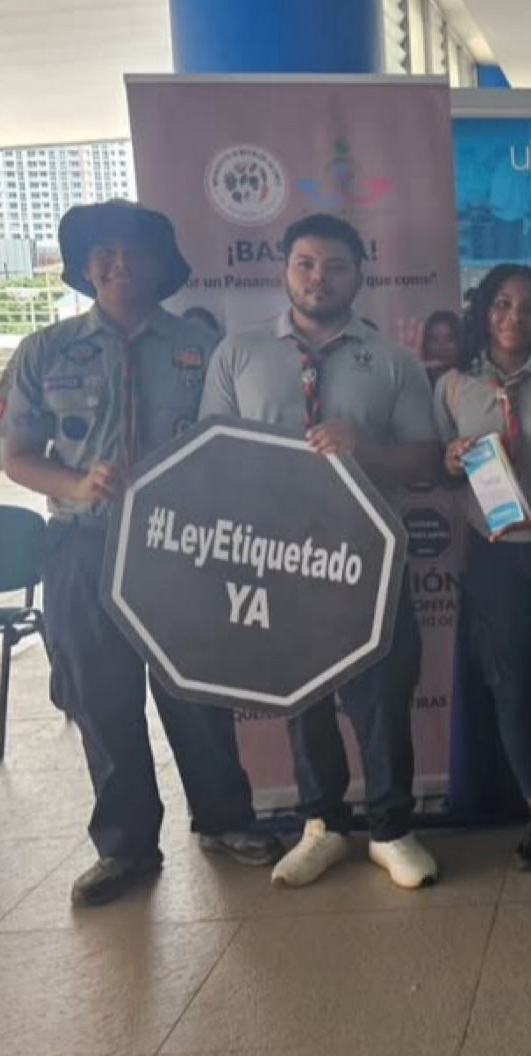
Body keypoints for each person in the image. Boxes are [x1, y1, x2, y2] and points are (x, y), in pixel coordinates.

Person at [1, 200, 281, 907]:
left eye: (134, 254)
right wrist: (76, 483)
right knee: (102, 697)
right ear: (85, 268)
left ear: (162, 268)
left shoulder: (202, 347)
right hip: (81, 545)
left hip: (179, 549)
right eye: (105, 255)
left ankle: (226, 821)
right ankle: (125, 847)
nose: (119, 265)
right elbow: (18, 458)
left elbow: (230, 446)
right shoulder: (45, 350)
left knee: (198, 691)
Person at [199, 212, 442, 891]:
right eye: (305, 263)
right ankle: (323, 825)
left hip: (369, 553)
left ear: (359, 275)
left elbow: (425, 458)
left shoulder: (391, 360)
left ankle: (392, 828)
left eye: (335, 266)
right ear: (284, 270)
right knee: (298, 695)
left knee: (383, 695)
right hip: (274, 557)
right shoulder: (238, 354)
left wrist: (365, 449)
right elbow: (209, 452)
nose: (319, 277)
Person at [436, 264, 531, 875]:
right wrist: (449, 460)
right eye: (501, 304)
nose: (513, 318)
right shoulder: (453, 387)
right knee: (509, 684)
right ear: (483, 310)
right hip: (493, 551)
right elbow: (434, 465)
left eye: (528, 307)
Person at [418, 310, 464, 383]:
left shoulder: (473, 383)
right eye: (434, 340)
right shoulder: (417, 380)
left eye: (449, 339)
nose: (442, 347)